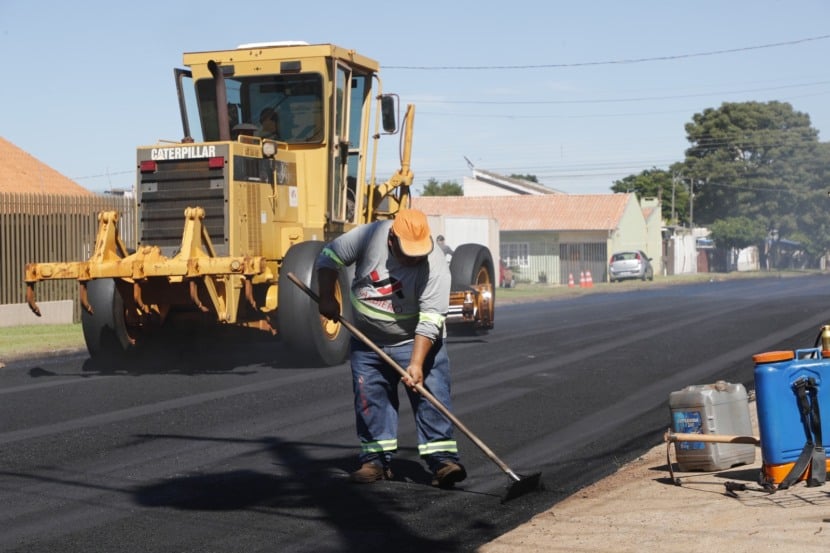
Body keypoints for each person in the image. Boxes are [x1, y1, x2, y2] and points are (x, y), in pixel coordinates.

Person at [315, 208, 467, 488]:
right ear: (391, 241)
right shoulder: (368, 236)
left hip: (416, 340)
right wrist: (327, 297)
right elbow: (329, 257)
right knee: (370, 399)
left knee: (431, 397)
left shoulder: (435, 265)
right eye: (407, 253)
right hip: (367, 340)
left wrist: (417, 363)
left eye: (418, 254)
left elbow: (431, 319)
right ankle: (375, 461)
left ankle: (443, 461)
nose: (413, 259)